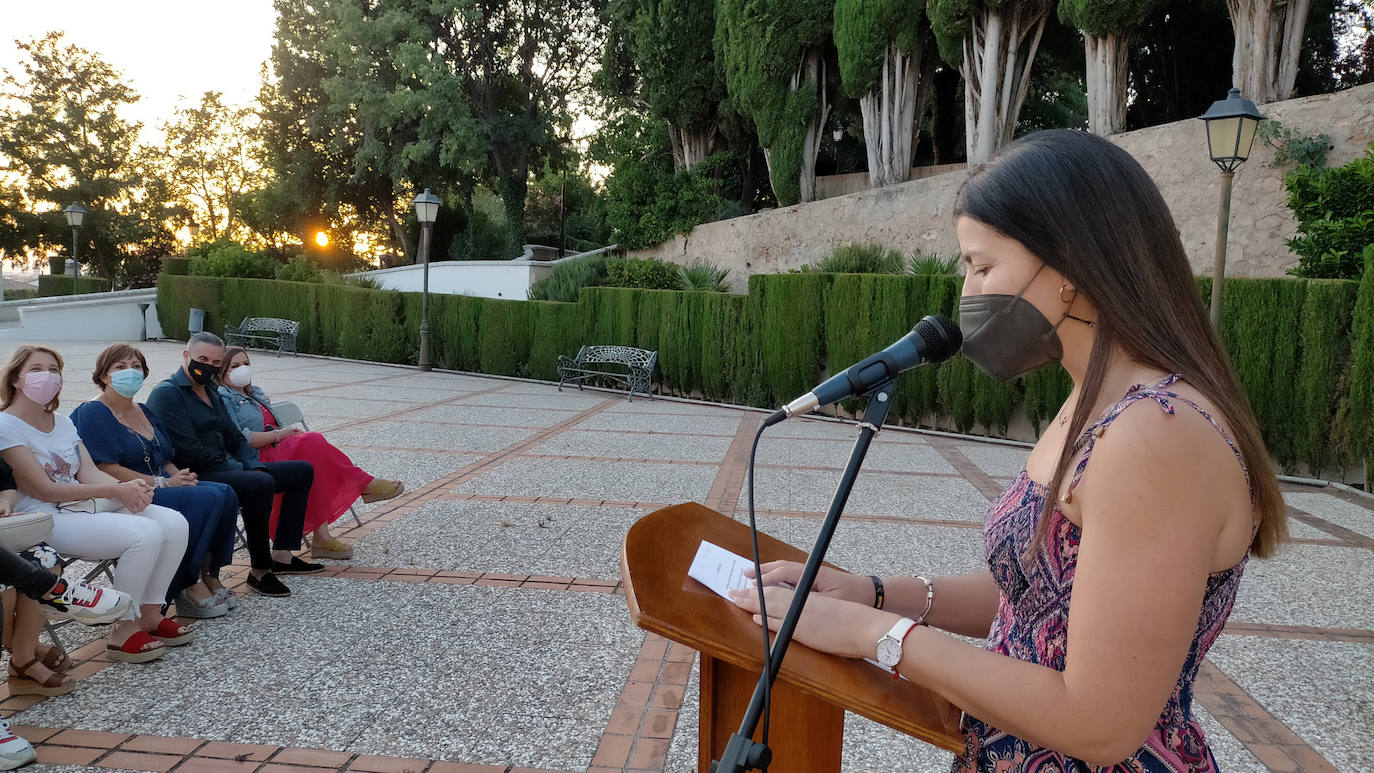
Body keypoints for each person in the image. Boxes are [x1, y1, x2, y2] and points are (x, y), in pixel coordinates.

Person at [728, 131, 1287, 772]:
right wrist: (873, 594)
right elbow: (1039, 600)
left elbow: (1100, 723)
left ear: (1069, 268)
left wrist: (873, 637)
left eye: (982, 266)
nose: (966, 293)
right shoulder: (1093, 400)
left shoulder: (1155, 435)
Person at [0, 345, 192, 665]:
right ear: (17, 379)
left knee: (175, 523)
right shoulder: (6, 425)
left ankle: (149, 613)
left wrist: (128, 489)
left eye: (53, 369)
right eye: (36, 370)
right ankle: (122, 628)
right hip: (46, 516)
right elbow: (43, 489)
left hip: (86, 505)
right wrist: (116, 492)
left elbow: (87, 471)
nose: (47, 376)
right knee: (142, 534)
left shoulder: (61, 421)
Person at [147, 332, 322, 598]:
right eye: (202, 359)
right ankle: (260, 571)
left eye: (216, 362)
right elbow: (189, 449)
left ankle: (282, 554)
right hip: (194, 472)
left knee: (301, 471)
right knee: (259, 483)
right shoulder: (168, 394)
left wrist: (251, 464)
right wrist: (244, 470)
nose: (209, 366)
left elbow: (234, 437)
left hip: (226, 466)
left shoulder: (211, 391)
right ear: (186, 355)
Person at [71, 343, 240, 618]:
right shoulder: (93, 412)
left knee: (225, 493)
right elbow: (106, 466)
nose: (130, 372)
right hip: (130, 491)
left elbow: (164, 455)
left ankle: (210, 574)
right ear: (104, 375)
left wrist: (178, 475)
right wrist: (161, 483)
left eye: (136, 367)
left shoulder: (143, 410)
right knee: (205, 497)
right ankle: (186, 584)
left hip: (161, 482)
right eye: (120, 367)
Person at [218, 346, 402, 559]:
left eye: (246, 364)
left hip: (276, 449)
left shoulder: (255, 393)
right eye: (235, 366)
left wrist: (281, 434)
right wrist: (280, 435)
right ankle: (363, 485)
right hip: (253, 457)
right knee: (312, 442)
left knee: (312, 460)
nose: (243, 369)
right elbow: (242, 439)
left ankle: (323, 537)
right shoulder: (224, 397)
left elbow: (271, 426)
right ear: (222, 371)